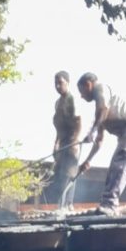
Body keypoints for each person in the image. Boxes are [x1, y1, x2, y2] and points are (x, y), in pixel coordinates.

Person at [77, 72, 126, 215]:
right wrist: (87, 161)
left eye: (81, 92)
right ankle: (107, 202)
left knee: (120, 161)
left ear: (88, 84)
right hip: (124, 133)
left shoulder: (100, 88)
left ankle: (110, 204)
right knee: (113, 167)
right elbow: (99, 140)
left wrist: (92, 130)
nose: (81, 96)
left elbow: (104, 109)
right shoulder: (98, 113)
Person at [48, 71, 81, 209]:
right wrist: (56, 144)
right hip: (61, 142)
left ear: (67, 82)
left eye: (60, 82)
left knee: (69, 174)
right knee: (59, 174)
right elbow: (58, 127)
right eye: (55, 83)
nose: (57, 86)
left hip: (72, 142)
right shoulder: (58, 103)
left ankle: (68, 205)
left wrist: (74, 141)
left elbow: (78, 121)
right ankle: (60, 205)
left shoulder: (72, 99)